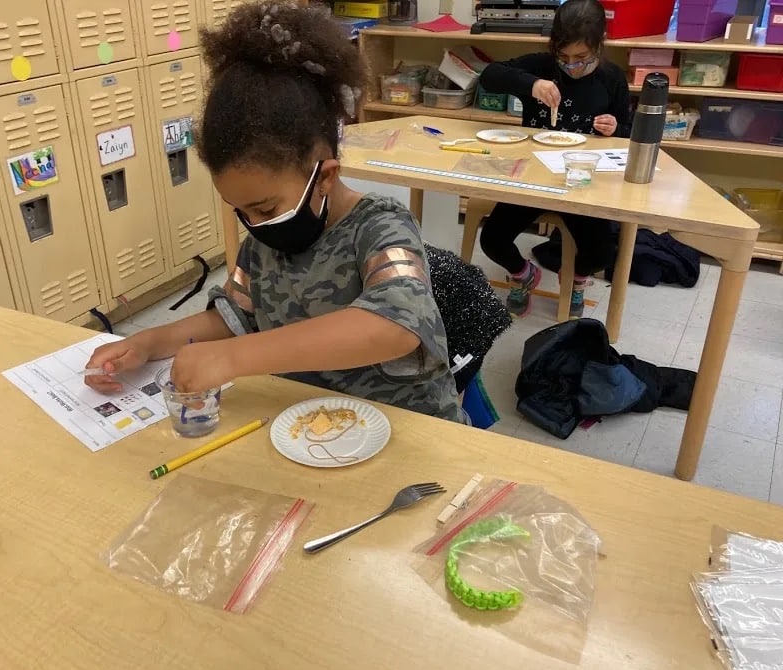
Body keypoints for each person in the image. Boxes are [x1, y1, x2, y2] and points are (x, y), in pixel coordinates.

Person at [84, 1, 465, 424]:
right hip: (316, 429)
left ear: (325, 177)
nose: (255, 223)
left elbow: (394, 326)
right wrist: (147, 344)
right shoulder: (262, 246)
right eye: (241, 210)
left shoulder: (379, 228)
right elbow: (232, 318)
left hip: (408, 426)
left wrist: (234, 357)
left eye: (264, 207)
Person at [478, 0, 631, 319]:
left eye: (581, 59)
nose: (572, 66)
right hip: (533, 178)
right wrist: (531, 84)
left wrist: (615, 127)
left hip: (582, 183)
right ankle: (523, 275)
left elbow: (627, 130)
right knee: (492, 239)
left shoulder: (611, 78)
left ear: (599, 46)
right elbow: (489, 76)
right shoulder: (541, 67)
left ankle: (575, 277)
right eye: (564, 58)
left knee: (603, 252)